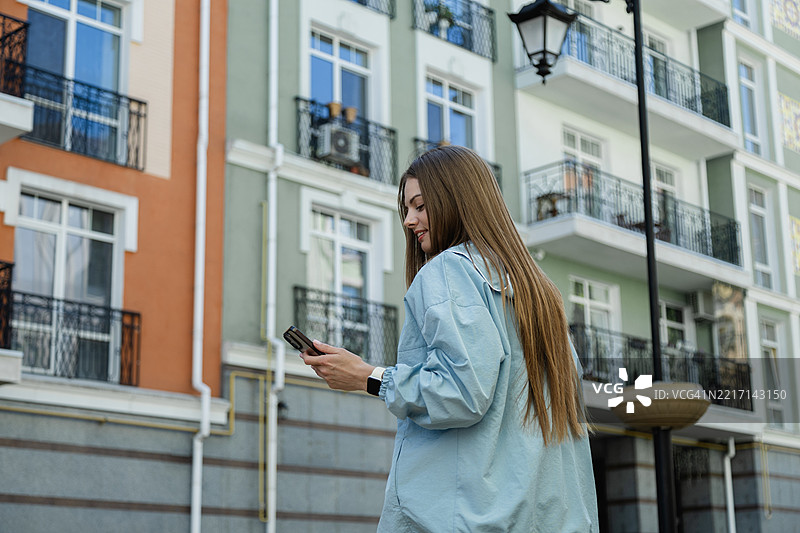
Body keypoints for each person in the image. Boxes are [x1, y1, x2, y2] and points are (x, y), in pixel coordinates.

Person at [300, 145, 599, 532]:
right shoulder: (538, 294)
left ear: (457, 200)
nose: (409, 221)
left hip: (463, 517)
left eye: (420, 206)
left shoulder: (448, 272)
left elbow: (462, 393)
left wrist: (368, 377)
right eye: (406, 209)